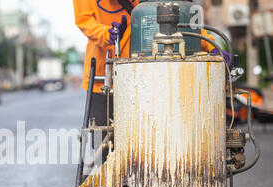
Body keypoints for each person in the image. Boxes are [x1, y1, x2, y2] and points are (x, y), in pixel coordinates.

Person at [73, 0, 229, 164]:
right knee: (101, 140)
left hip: (146, 73)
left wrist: (208, 42)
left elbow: (172, 13)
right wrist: (107, 33)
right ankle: (109, 179)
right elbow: (85, 22)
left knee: (150, 134)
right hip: (105, 73)